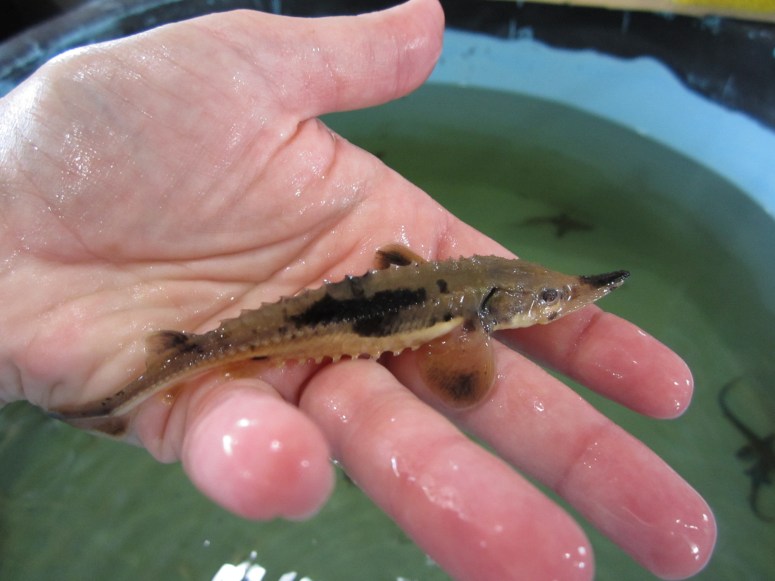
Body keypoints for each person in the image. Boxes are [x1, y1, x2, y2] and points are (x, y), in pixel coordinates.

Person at [0, 1, 715, 579]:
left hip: (352, 310)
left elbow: (396, 261)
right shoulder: (472, 320)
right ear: (492, 309)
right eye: (547, 301)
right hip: (298, 327)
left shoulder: (467, 283)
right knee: (206, 361)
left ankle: (114, 400)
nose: (556, 304)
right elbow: (460, 381)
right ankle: (113, 403)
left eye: (550, 298)